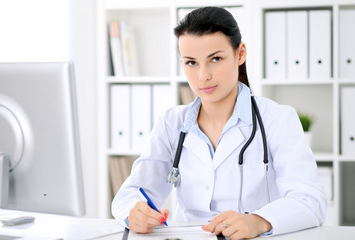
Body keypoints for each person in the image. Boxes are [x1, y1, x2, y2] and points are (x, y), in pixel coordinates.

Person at [112, 6, 327, 239]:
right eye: (191, 62)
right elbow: (130, 194)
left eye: (215, 59)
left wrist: (260, 220)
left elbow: (310, 200)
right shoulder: (171, 123)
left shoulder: (277, 119)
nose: (203, 76)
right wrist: (134, 212)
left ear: (240, 54)